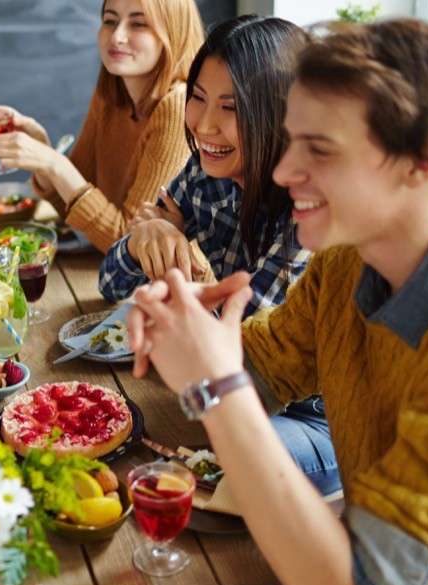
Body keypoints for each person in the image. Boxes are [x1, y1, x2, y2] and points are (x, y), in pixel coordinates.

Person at [126, 19, 428, 585]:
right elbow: (257, 368)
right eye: (291, 140)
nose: (286, 169)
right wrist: (181, 329)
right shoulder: (348, 261)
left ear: (424, 158)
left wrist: (215, 384)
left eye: (319, 150)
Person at [99, 15, 339, 496]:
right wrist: (145, 236)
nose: (204, 125)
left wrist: (175, 284)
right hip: (225, 391)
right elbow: (111, 283)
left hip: (315, 418)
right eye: (199, 98)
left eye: (230, 108)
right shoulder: (206, 173)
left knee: (212, 460)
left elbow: (244, 370)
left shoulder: (309, 210)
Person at [0, 0, 204, 252]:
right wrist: (43, 156)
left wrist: (54, 164)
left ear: (173, 31)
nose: (118, 36)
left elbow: (132, 245)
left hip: (180, 286)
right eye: (110, 21)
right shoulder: (110, 96)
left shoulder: (178, 107)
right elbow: (78, 210)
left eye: (138, 23)